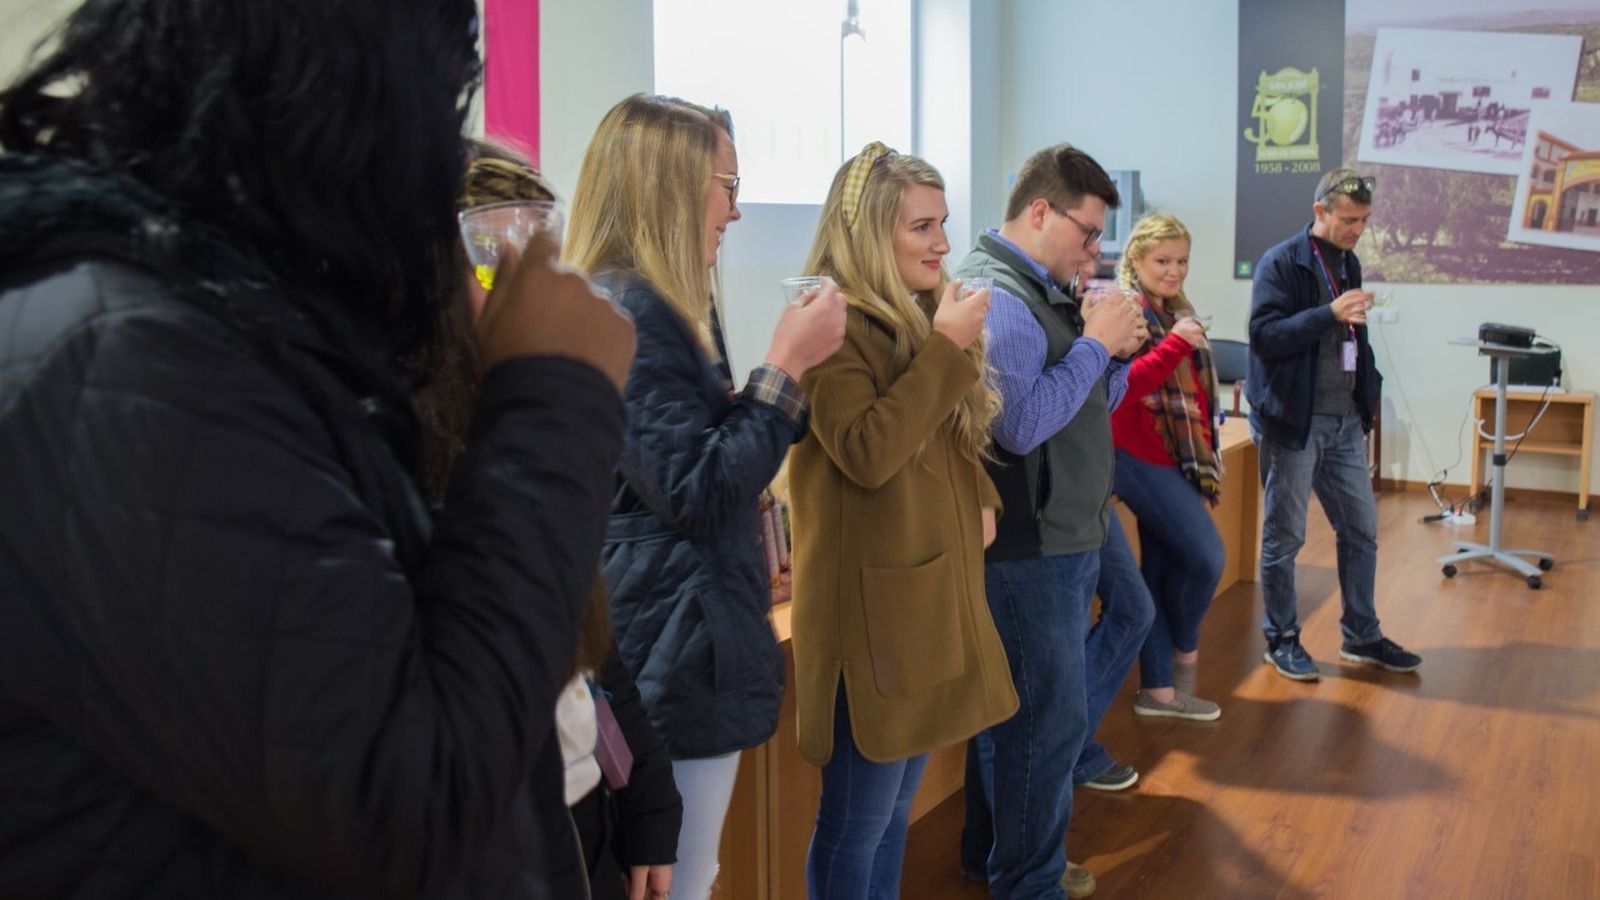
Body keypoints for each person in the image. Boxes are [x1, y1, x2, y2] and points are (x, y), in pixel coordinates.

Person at [0, 2, 637, 898]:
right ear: (352, 109)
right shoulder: (127, 361)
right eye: (435, 108)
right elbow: (415, 798)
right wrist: (551, 396)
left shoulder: (199, 327)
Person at [564, 93, 847, 900]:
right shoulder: (632, 312)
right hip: (670, 645)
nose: (736, 209)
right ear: (670, 187)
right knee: (678, 879)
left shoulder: (654, 307)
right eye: (726, 184)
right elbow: (697, 489)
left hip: (675, 631)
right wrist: (782, 371)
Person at [414, 142, 682, 900]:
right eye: (499, 256)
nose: (537, 288)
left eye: (545, 254)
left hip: (586, 818)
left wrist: (649, 798)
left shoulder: (512, 424)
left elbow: (590, 649)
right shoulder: (417, 461)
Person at [787, 143, 1019, 900]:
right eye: (922, 227)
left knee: (892, 819)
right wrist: (948, 346)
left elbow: (938, 437)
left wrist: (981, 495)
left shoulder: (913, 316)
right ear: (868, 233)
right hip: (873, 621)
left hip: (923, 601)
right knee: (857, 825)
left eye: (943, 224)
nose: (944, 244)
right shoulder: (829, 324)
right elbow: (867, 449)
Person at [952, 144, 1147, 899]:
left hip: (1062, 533)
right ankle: (1027, 882)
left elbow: (1083, 407)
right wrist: (1098, 341)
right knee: (1044, 727)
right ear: (1040, 212)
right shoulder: (1000, 296)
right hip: (1029, 548)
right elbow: (1022, 426)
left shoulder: (1042, 286)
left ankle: (991, 856)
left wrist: (1114, 354)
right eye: (1089, 232)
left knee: (1017, 718)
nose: (1095, 250)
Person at [1247, 168, 1421, 682]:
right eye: (1348, 219)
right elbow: (1265, 337)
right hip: (1295, 424)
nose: (1357, 229)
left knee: (1362, 530)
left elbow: (1352, 342)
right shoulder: (1281, 263)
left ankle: (1361, 637)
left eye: (1364, 220)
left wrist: (1366, 401)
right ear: (1319, 210)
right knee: (1286, 538)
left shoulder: (1349, 262)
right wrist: (1328, 312)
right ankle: (1281, 639)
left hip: (1344, 423)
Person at [1110, 213, 1226, 720]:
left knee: (1160, 568)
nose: (1175, 270)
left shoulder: (1173, 307)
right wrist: (1178, 341)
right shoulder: (1124, 308)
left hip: (1173, 456)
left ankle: (1158, 693)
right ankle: (1184, 647)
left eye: (1181, 261)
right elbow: (1123, 387)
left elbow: (1193, 392)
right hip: (1133, 455)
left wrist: (1199, 459)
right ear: (1135, 260)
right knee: (1207, 557)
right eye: (1163, 261)